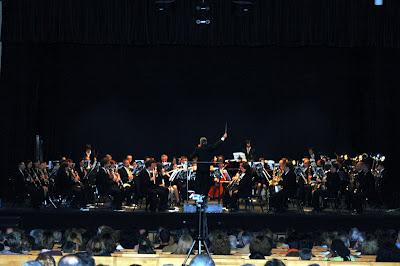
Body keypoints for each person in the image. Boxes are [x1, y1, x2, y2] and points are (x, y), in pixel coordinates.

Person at [191, 132, 227, 196]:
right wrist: (223, 138)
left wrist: (198, 149)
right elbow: (216, 145)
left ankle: (199, 197)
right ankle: (205, 196)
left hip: (199, 169)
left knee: (199, 184)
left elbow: (191, 157)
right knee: (206, 184)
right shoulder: (209, 148)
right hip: (206, 169)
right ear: (206, 142)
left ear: (200, 142)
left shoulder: (198, 149)